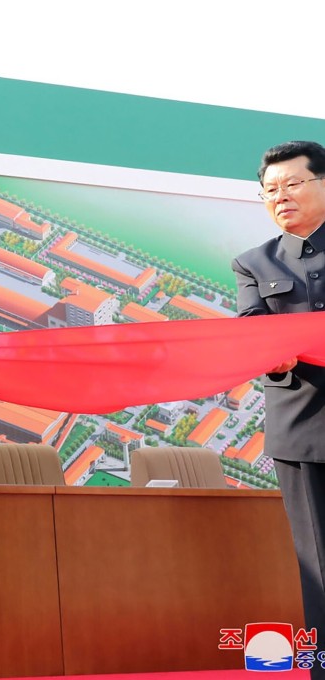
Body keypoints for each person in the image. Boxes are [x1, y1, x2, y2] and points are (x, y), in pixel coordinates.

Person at [232, 140, 325, 677]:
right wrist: (268, 355)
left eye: (293, 184)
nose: (280, 196)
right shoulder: (254, 263)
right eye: (270, 190)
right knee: (317, 571)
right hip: (301, 435)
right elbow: (250, 334)